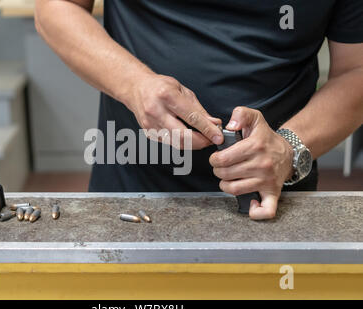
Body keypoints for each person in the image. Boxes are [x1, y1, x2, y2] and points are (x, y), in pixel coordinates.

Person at [35, 0, 363, 219]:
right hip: (135, 191)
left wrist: (287, 148)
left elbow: (355, 70)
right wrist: (134, 84)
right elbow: (56, 6)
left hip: (272, 198)